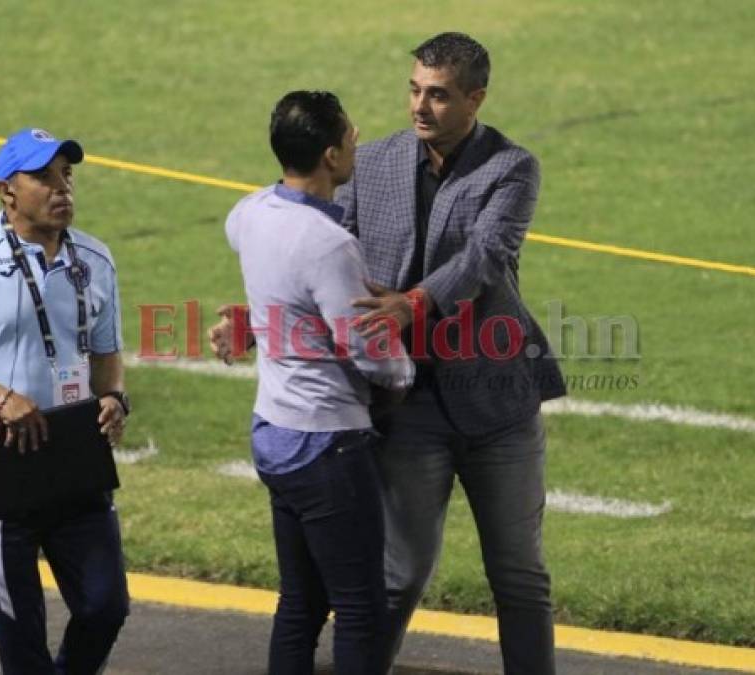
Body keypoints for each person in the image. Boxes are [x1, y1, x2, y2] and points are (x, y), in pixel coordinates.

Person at [211, 34, 566, 674]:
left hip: (498, 408)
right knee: (396, 578)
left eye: (438, 94)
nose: (419, 106)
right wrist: (254, 321)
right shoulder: (369, 164)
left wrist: (414, 303)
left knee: (519, 579)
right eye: (413, 89)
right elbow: (306, 253)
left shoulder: (512, 168)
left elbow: (487, 256)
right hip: (406, 409)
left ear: (475, 98)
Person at [222, 91, 414, 675]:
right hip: (326, 443)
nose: (360, 141)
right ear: (330, 156)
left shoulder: (248, 213)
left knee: (300, 602)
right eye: (351, 137)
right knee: (360, 610)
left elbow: (276, 290)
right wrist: (404, 373)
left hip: (273, 433)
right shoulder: (329, 243)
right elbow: (367, 350)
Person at [0, 128, 131, 674]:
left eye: (67, 175)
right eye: (43, 177)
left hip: (74, 461)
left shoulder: (96, 259)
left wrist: (113, 397)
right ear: (6, 192)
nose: (61, 188)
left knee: (106, 606)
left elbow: (107, 353)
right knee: (21, 641)